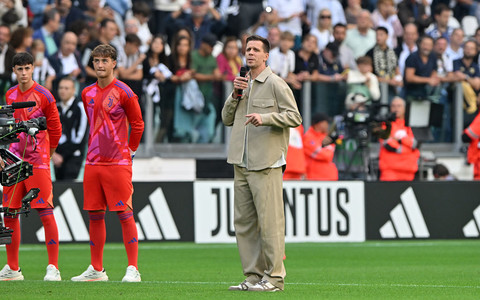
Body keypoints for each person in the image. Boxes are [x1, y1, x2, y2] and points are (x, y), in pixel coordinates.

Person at [222, 35, 301, 292]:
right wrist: (235, 95)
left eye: (256, 49)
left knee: (270, 223)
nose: (250, 53)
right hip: (241, 162)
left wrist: (265, 118)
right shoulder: (242, 84)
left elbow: (295, 116)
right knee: (243, 223)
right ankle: (253, 277)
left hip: (266, 163)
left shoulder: (277, 83)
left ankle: (275, 278)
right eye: (248, 49)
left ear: (266, 55)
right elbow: (226, 118)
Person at [71, 44, 144, 282]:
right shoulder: (86, 93)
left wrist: (129, 151)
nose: (100, 65)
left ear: (114, 63)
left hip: (117, 162)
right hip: (92, 162)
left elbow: (138, 123)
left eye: (104, 61)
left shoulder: (125, 92)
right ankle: (96, 269)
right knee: (94, 214)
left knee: (124, 213)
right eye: (96, 61)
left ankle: (133, 268)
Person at [0, 52, 62, 281]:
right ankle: (13, 268)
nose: (24, 73)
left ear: (33, 68)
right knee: (10, 213)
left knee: (45, 212)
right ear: (14, 71)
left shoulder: (44, 95)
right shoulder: (9, 94)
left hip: (37, 163)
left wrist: (47, 154)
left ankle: (53, 267)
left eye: (27, 68)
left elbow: (55, 129)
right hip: (13, 162)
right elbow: (6, 129)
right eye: (19, 69)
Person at [51, 77, 88, 180]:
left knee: (68, 189)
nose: (63, 91)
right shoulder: (55, 108)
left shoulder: (80, 108)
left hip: (73, 157)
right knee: (57, 189)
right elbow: (50, 133)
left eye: (66, 88)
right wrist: (54, 154)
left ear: (74, 90)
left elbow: (79, 138)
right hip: (57, 157)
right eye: (61, 88)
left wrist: (62, 156)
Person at [378, 97, 420, 181]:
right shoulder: (385, 124)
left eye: (399, 106)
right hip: (389, 172)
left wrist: (399, 139)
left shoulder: (412, 124)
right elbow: (388, 144)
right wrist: (407, 147)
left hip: (409, 170)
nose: (396, 108)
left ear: (405, 108)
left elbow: (415, 143)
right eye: (393, 106)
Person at [303, 113, 338, 180]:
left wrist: (320, 145)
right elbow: (321, 154)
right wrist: (322, 145)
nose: (328, 125)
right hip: (313, 178)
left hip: (330, 177)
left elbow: (329, 155)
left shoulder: (327, 137)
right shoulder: (308, 137)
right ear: (319, 123)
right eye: (326, 123)